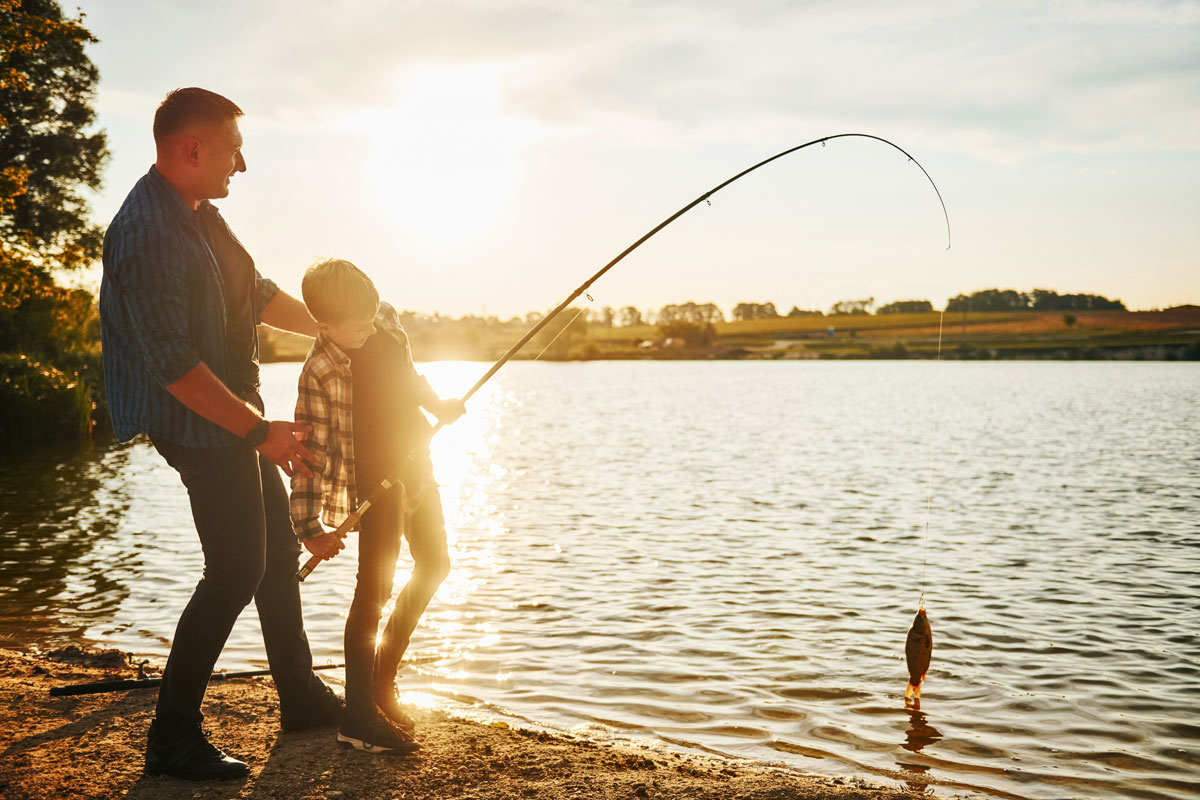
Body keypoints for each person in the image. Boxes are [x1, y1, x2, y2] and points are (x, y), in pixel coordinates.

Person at [99, 88, 342, 781]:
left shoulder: (201, 215)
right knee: (236, 569)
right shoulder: (146, 230)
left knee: (268, 541)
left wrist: (334, 328)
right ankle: (172, 737)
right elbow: (173, 366)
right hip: (196, 420)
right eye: (234, 147)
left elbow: (256, 291)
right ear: (192, 148)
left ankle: (299, 694)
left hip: (231, 413)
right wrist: (260, 429)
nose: (243, 162)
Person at [290, 258, 464, 754]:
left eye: (371, 318)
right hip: (374, 488)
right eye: (357, 326)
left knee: (435, 564)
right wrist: (309, 525)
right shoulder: (318, 370)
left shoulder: (383, 318)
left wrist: (438, 405)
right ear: (324, 325)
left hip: (417, 466)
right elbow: (310, 456)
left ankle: (381, 683)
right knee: (375, 591)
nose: (369, 329)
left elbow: (408, 378)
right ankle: (358, 714)